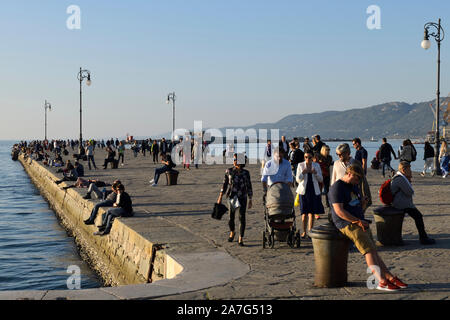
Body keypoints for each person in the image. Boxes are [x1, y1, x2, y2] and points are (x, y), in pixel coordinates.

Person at [329, 164, 408, 291]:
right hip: (346, 223)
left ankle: (389, 276)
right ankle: (381, 281)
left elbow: (357, 207)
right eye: (356, 178)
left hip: (359, 221)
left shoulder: (353, 186)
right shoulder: (337, 188)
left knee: (373, 250)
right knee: (368, 250)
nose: (358, 182)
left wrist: (363, 204)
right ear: (349, 174)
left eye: (360, 179)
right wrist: (357, 221)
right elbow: (339, 211)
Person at [391, 162, 436, 245]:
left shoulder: (399, 177)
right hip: (401, 204)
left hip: (400, 203)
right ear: (404, 169)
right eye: (409, 169)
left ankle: (423, 237)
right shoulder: (400, 179)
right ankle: (423, 238)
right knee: (418, 216)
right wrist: (408, 180)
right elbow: (410, 192)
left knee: (417, 216)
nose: (411, 171)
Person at [217, 153, 253, 247]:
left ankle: (241, 238)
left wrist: (250, 199)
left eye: (235, 160)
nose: (233, 161)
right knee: (231, 217)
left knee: (242, 217)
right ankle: (232, 232)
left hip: (242, 197)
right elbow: (224, 184)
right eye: (233, 159)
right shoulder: (229, 171)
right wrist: (220, 196)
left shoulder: (246, 173)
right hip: (232, 196)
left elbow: (249, 185)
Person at [296, 151, 324, 238]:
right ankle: (304, 231)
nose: (307, 159)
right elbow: (298, 180)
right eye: (306, 157)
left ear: (312, 158)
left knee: (311, 213)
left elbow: (320, 179)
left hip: (313, 190)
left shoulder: (316, 165)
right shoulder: (300, 165)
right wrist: (303, 172)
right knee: (304, 214)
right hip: (303, 191)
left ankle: (310, 231)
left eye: (309, 157)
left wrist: (315, 173)